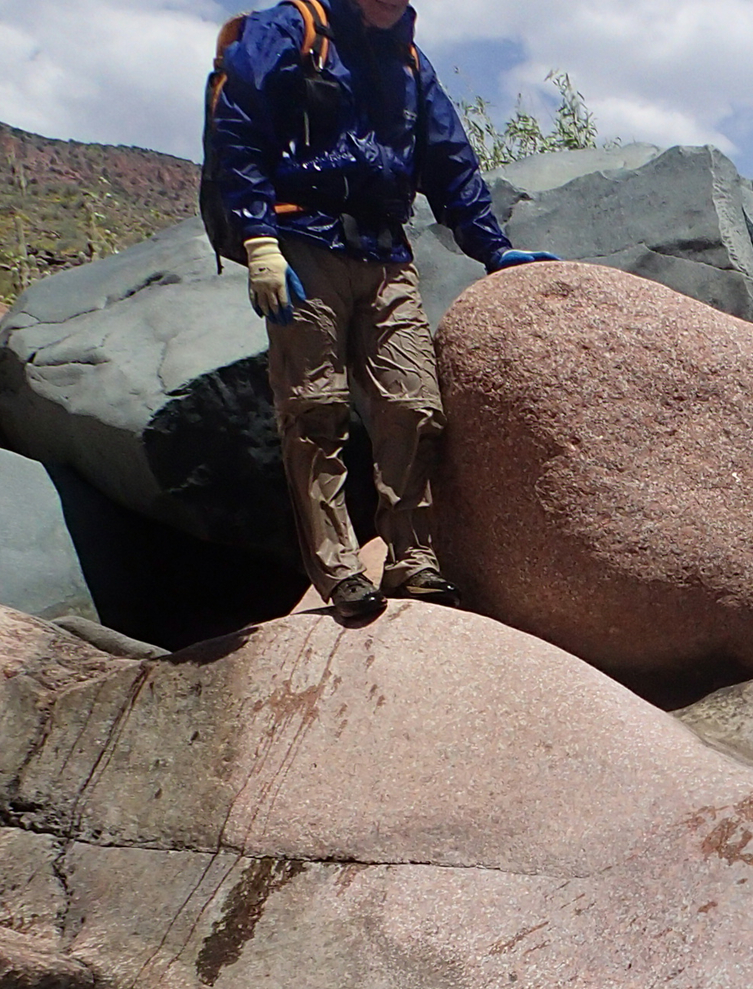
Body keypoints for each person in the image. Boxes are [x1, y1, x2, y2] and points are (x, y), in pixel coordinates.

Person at [205, 0, 557, 622]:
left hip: (385, 248)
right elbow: (239, 127)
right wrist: (258, 238)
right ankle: (339, 570)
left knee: (414, 404)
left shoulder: (409, 61)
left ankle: (412, 559)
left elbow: (450, 162)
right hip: (300, 243)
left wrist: (493, 248)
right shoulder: (289, 29)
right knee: (315, 408)